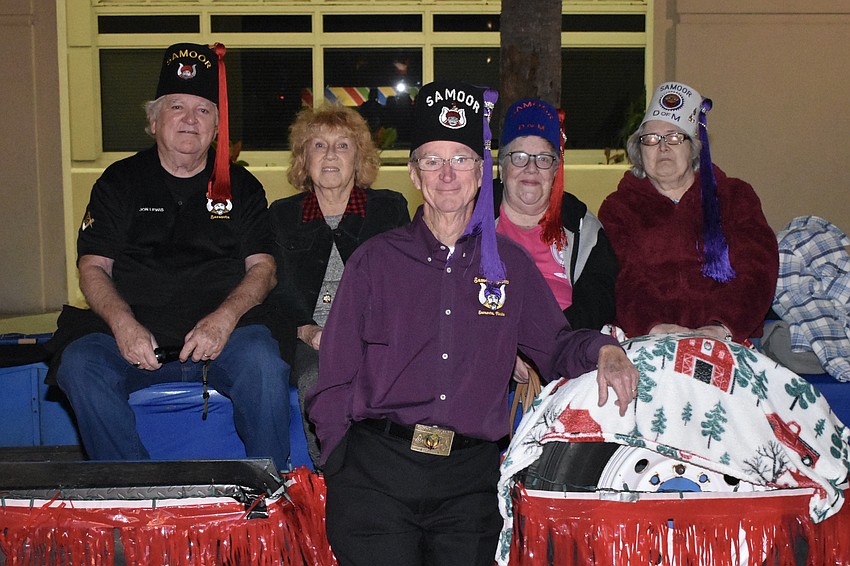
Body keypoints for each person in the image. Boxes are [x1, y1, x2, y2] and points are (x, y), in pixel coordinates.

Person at [306, 80, 639, 566]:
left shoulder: (510, 266)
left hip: (468, 488)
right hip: (377, 478)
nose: (447, 175)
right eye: (432, 161)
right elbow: (333, 378)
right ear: (414, 174)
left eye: (461, 159)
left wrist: (604, 350)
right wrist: (341, 464)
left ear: (482, 173)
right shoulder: (374, 262)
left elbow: (557, 346)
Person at [53, 43, 291, 471]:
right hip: (132, 339)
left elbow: (264, 268)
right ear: (153, 121)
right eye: (176, 106)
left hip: (226, 339)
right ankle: (132, 488)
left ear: (216, 127)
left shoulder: (242, 186)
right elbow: (93, 266)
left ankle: (269, 488)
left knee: (263, 364)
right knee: (79, 364)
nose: (189, 119)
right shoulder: (119, 181)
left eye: (203, 110)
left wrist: (224, 320)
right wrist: (123, 325)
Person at [269, 103, 410, 467]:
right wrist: (307, 330)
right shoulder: (283, 214)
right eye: (319, 145)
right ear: (304, 159)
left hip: (376, 334)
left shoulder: (388, 208)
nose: (330, 154)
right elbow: (278, 289)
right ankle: (332, 472)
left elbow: (403, 285)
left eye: (342, 145)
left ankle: (388, 470)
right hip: (309, 337)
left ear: (358, 157)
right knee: (318, 378)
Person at [598, 81, 778, 343]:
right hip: (650, 336)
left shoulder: (735, 197)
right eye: (651, 139)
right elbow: (622, 279)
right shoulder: (619, 209)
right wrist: (655, 327)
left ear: (693, 148)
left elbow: (758, 271)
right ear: (639, 151)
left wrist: (722, 326)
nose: (663, 147)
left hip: (728, 335)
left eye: (674, 137)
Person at [495, 98, 618, 331]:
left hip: (565, 342)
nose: (531, 168)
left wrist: (550, 339)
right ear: (502, 167)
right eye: (519, 157)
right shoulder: (472, 220)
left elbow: (598, 305)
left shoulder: (583, 228)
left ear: (555, 171)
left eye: (543, 159)